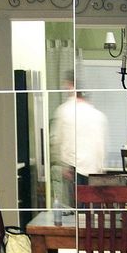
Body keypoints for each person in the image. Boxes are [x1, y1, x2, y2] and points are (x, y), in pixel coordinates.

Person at [50, 72, 108, 207]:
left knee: (74, 213)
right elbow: (101, 147)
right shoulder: (98, 116)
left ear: (71, 87)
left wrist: (63, 166)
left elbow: (56, 141)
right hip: (94, 172)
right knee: (91, 214)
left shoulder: (64, 111)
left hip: (73, 169)